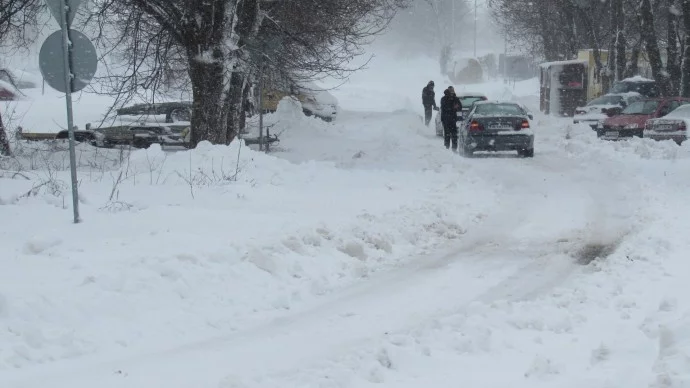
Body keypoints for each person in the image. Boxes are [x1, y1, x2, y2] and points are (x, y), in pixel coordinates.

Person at [440, 86, 462, 151]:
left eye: (453, 91)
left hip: (453, 119)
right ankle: (446, 148)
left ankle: (454, 148)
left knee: (454, 134)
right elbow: (444, 108)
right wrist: (453, 107)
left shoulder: (456, 98)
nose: (452, 92)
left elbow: (460, 107)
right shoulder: (443, 99)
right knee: (447, 134)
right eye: (451, 91)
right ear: (448, 91)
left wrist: (457, 107)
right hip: (445, 119)